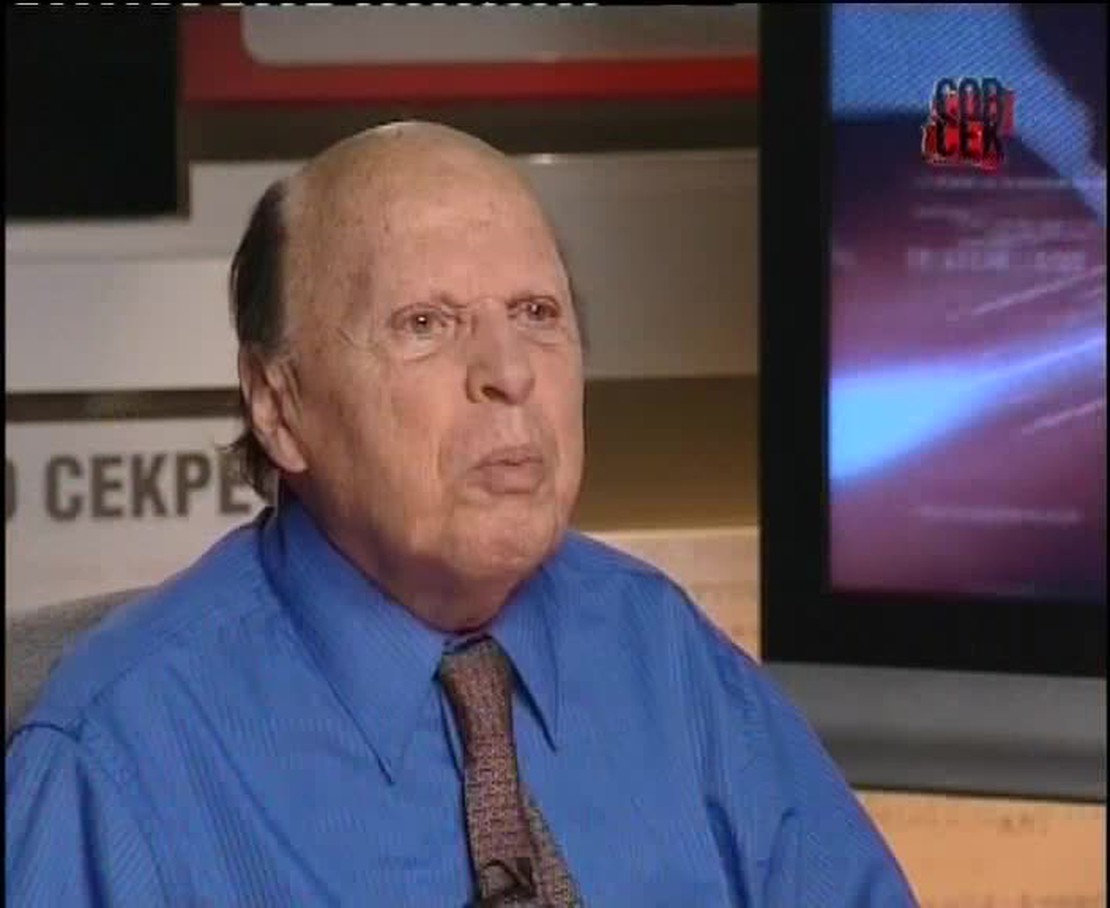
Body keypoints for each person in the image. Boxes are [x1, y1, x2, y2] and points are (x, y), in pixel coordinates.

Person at [5, 122, 917, 906]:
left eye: (537, 312)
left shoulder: (666, 654)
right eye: (426, 325)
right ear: (279, 405)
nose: (509, 372)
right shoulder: (117, 758)